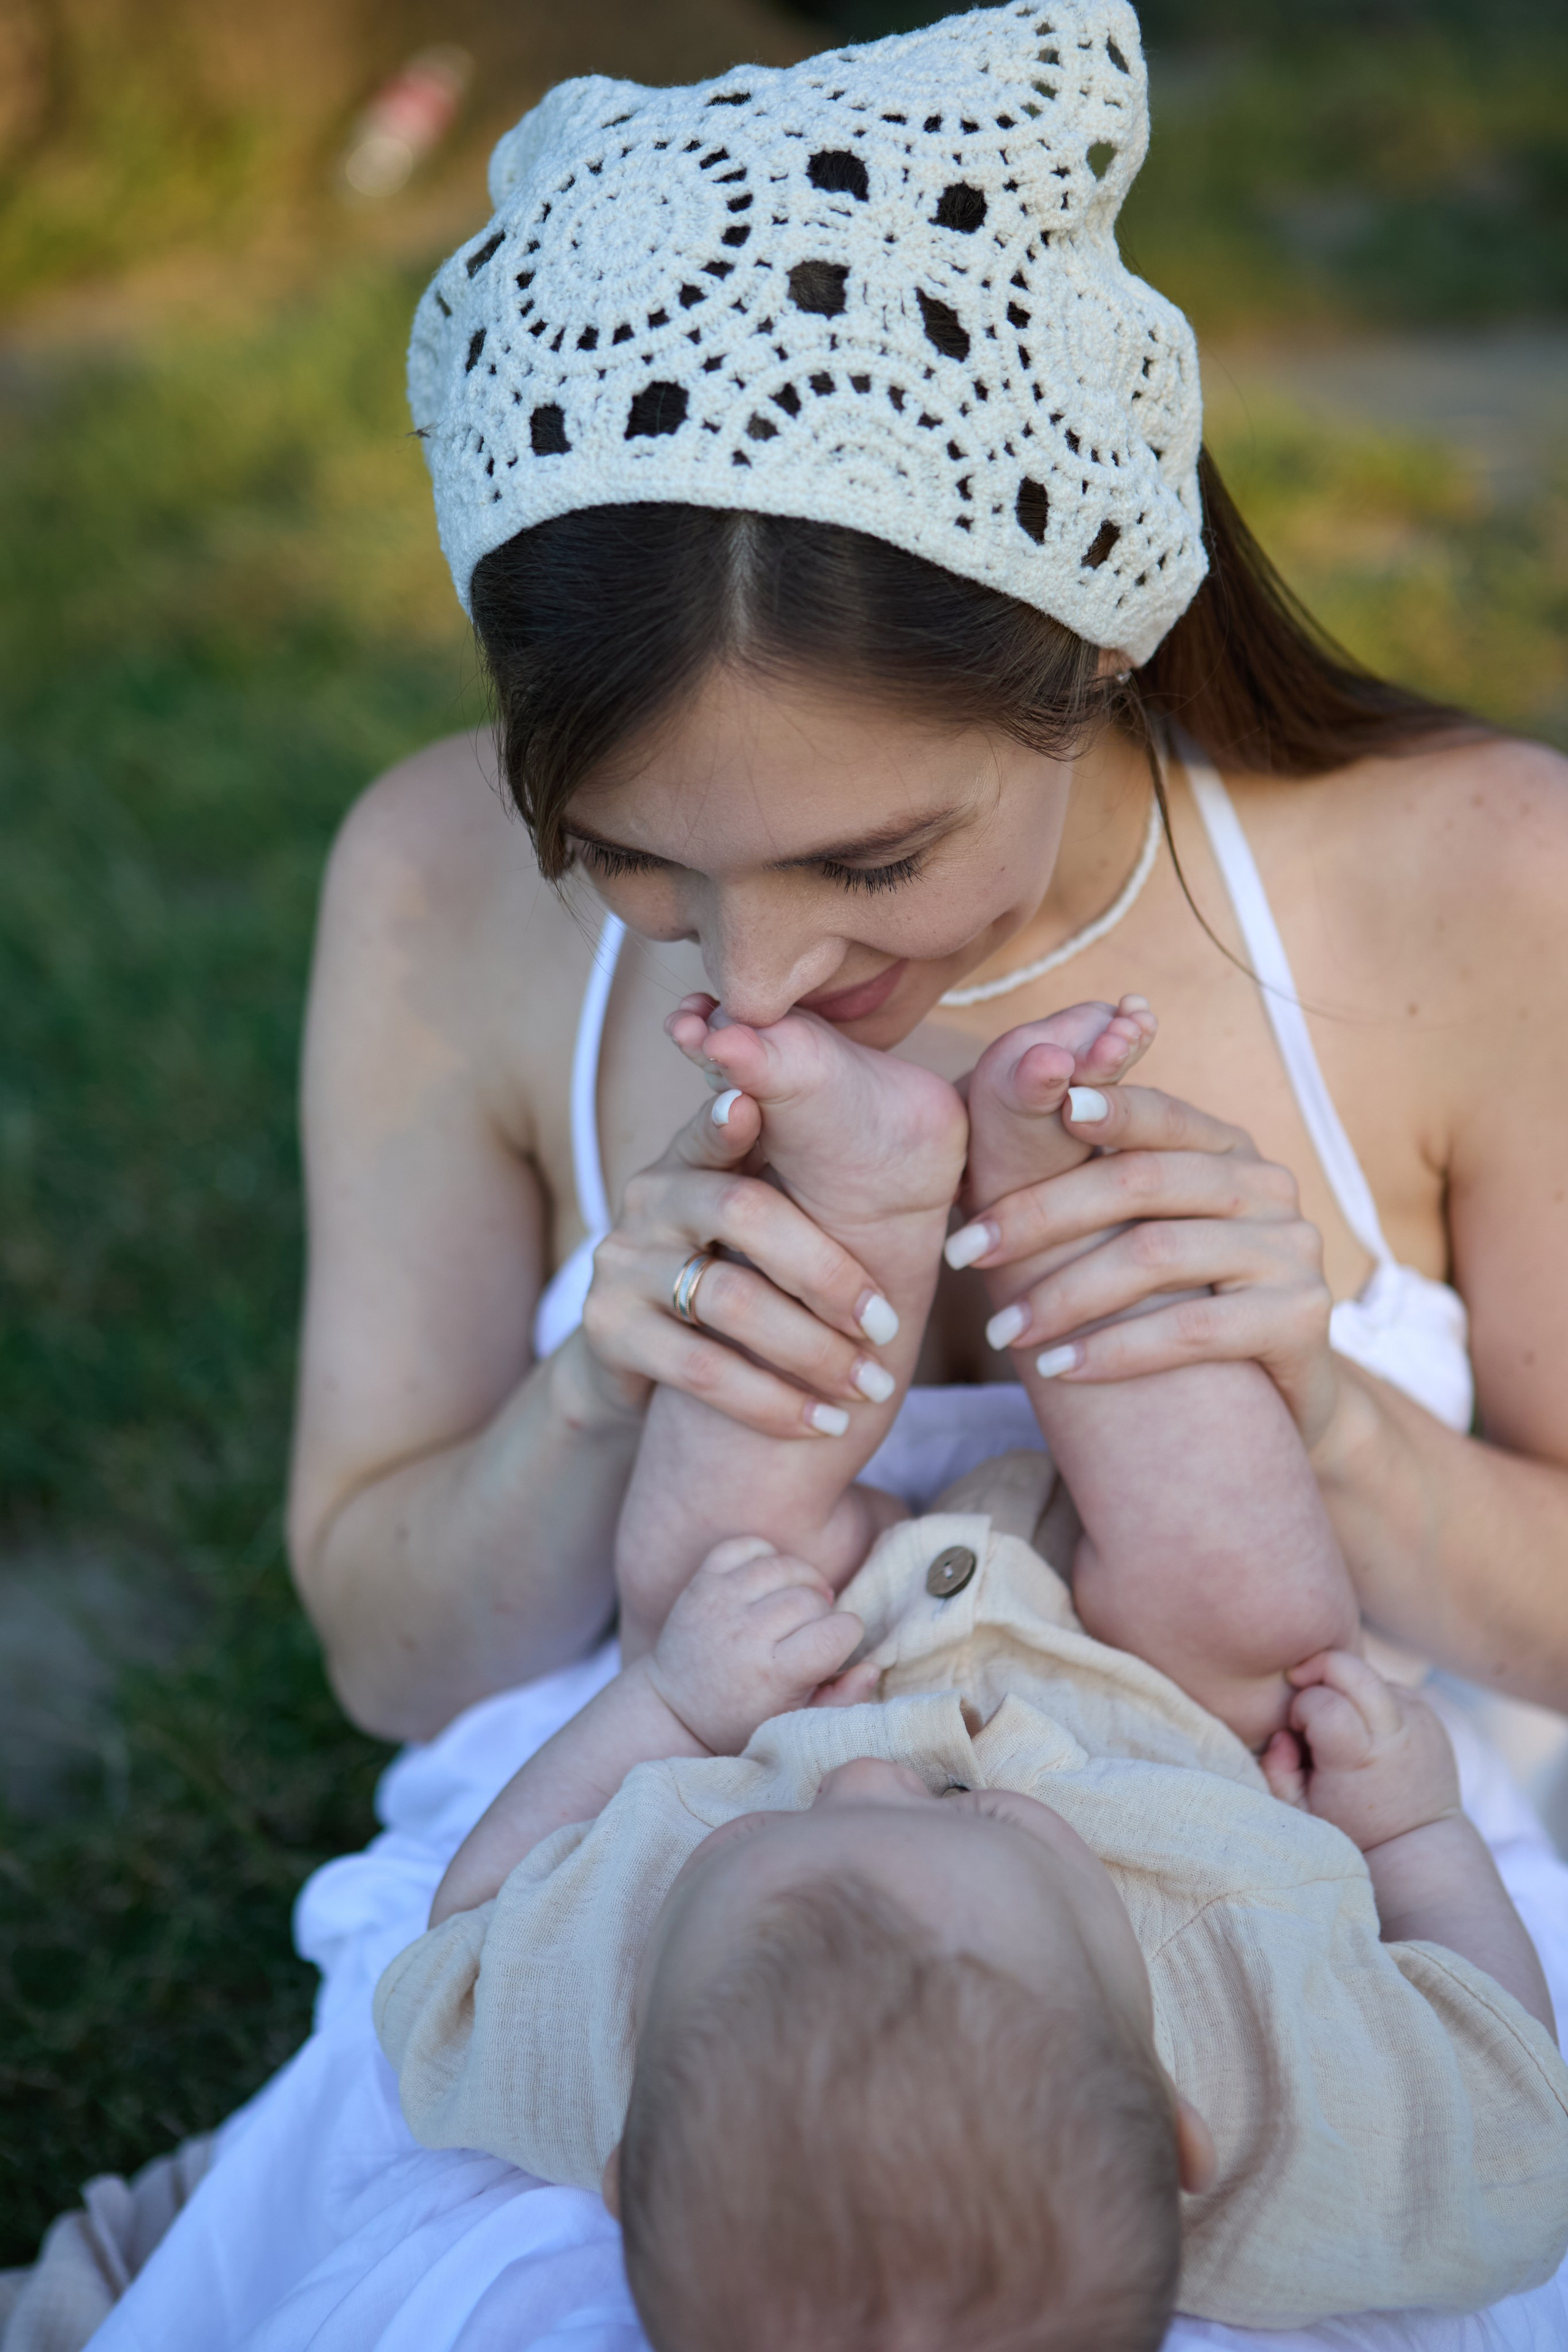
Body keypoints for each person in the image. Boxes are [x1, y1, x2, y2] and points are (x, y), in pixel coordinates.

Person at [24, 4, 1568, 2349]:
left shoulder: (1471, 879)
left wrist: (1330, 1426)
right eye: (637, 866)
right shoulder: (438, 889)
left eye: (878, 852)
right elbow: (388, 1648)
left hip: (1270, 1899)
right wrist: (591, 1401)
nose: (768, 970)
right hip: (673, 1937)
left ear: (1095, 645)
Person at [373, 998, 1566, 2345]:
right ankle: (1070, 1219)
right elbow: (1508, 2095)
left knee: (710, 1563)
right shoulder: (1311, 2125)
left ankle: (849, 1196)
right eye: (972, 1817)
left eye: (797, 1830)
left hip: (805, 1639)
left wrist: (664, 1705)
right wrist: (1411, 1834)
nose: (881, 1773)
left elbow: (459, 1946)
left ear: (622, 2167)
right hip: (1170, 1693)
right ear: (1184, 2136)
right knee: (1251, 1605)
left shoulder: (602, 2047)